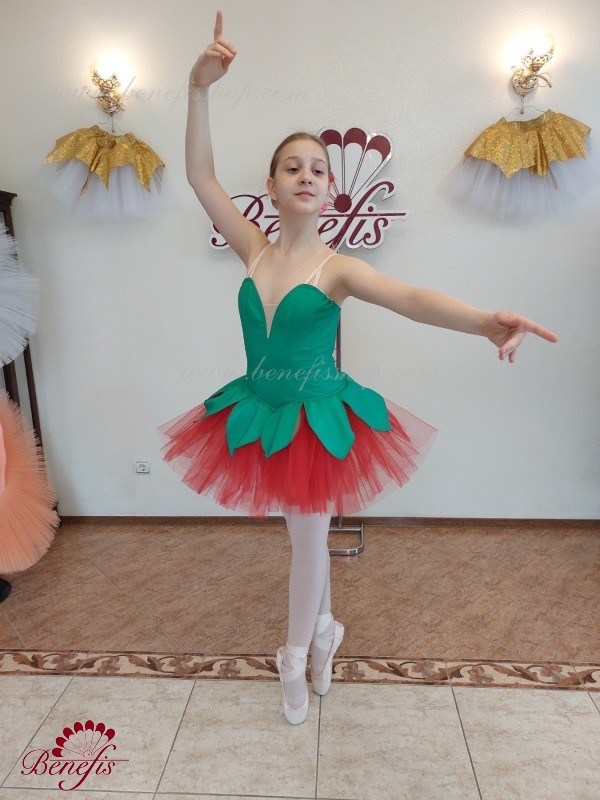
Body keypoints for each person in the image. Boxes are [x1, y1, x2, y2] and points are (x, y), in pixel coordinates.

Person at [158, 11, 558, 725]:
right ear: (272, 184)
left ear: (330, 189)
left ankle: (292, 657)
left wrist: (482, 322)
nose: (306, 175)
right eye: (293, 167)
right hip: (260, 409)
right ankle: (323, 632)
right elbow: (198, 174)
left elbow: (411, 298)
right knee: (303, 538)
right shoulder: (252, 248)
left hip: (317, 417)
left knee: (307, 542)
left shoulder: (337, 268)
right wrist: (197, 88)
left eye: (319, 169)